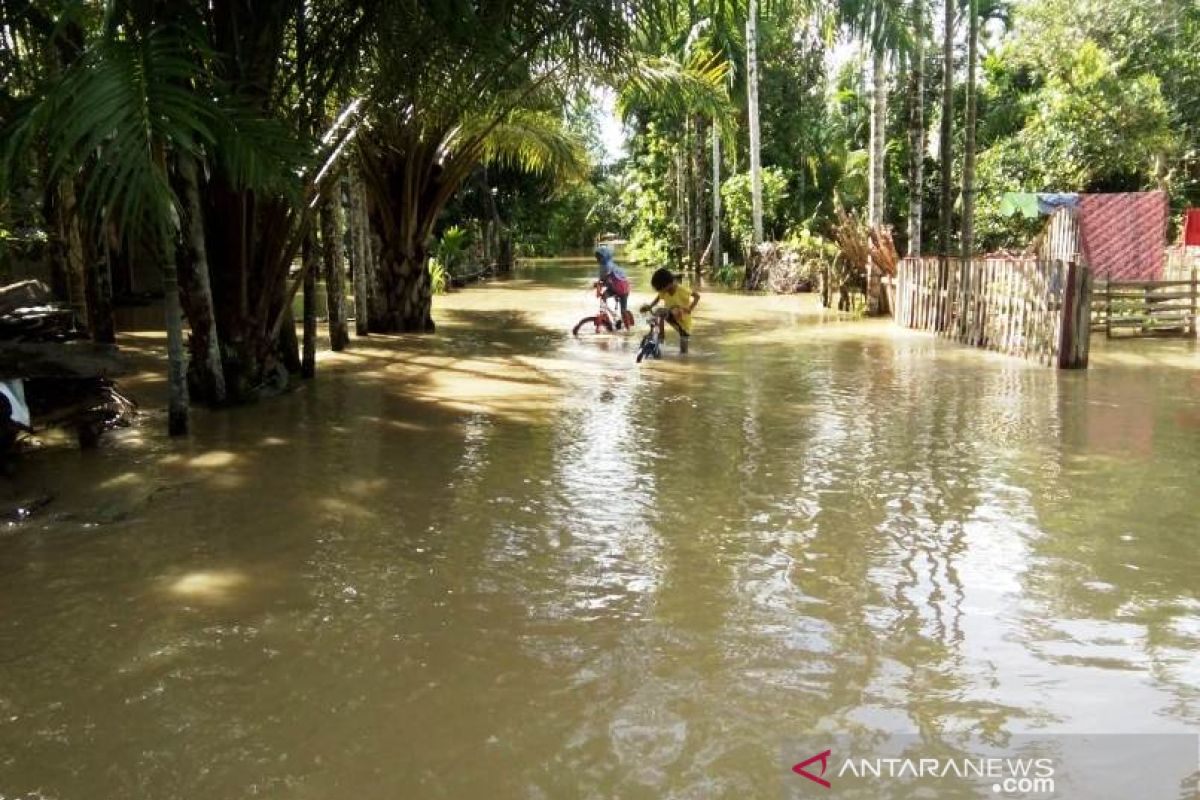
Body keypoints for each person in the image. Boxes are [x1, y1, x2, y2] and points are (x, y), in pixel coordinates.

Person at [643, 267, 700, 353]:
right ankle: (659, 336)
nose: (660, 291)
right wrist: (650, 306)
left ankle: (660, 337)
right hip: (670, 315)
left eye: (661, 289)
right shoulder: (664, 291)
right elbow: (658, 297)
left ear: (669, 284)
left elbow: (697, 296)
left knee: (683, 352)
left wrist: (690, 308)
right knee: (659, 312)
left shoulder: (682, 290)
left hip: (683, 322)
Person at [594, 245, 632, 327]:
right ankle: (605, 314)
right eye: (596, 257)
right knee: (603, 297)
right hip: (613, 288)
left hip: (622, 290)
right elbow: (602, 279)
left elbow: (607, 277)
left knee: (623, 311)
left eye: (599, 257)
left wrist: (601, 283)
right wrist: (598, 283)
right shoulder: (602, 266)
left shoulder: (609, 266)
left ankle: (628, 329)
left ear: (604, 257)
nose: (597, 259)